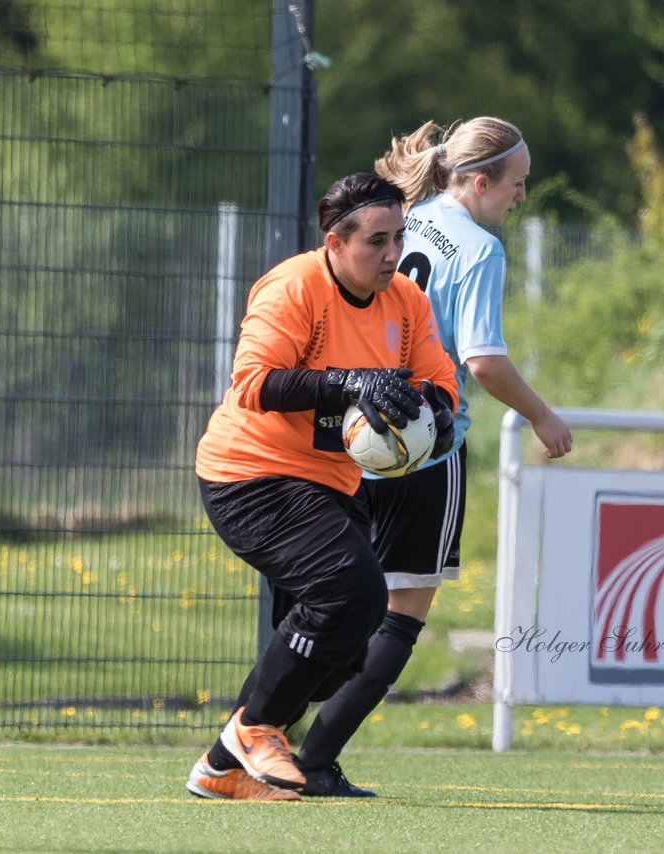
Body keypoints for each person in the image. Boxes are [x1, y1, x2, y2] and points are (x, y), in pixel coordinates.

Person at [293, 118, 573, 796]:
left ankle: (260, 735)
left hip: (356, 432)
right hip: (425, 441)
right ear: (480, 182)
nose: (521, 198)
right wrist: (541, 414)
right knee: (402, 610)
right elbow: (481, 359)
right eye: (516, 184)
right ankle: (314, 759)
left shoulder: (405, 220)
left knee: (335, 597)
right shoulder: (480, 248)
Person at [185, 172, 459, 801]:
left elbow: (439, 379)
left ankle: (222, 765)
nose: (392, 254)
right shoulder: (294, 286)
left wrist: (434, 413)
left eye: (398, 238)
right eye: (376, 241)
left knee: (348, 649)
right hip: (249, 475)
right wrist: (352, 382)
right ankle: (256, 729)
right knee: (351, 591)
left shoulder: (406, 302)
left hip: (330, 484)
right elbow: (253, 383)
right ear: (335, 244)